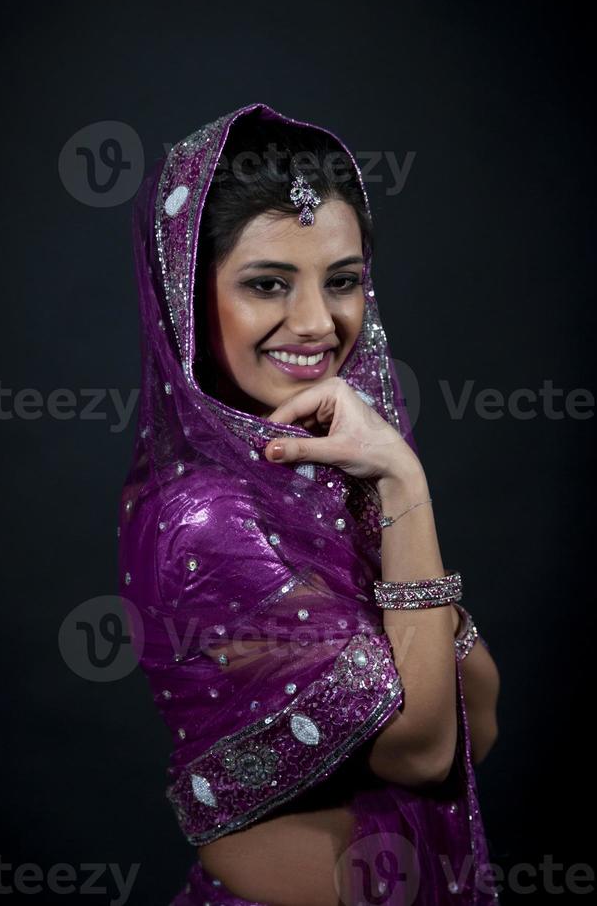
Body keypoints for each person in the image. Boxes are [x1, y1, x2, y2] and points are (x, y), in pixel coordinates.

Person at [117, 101, 501, 906]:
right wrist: (404, 485)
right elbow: (425, 750)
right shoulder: (204, 518)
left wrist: (382, 486)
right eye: (267, 284)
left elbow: (483, 722)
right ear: (190, 303)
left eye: (345, 281)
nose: (318, 323)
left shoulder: (327, 470)